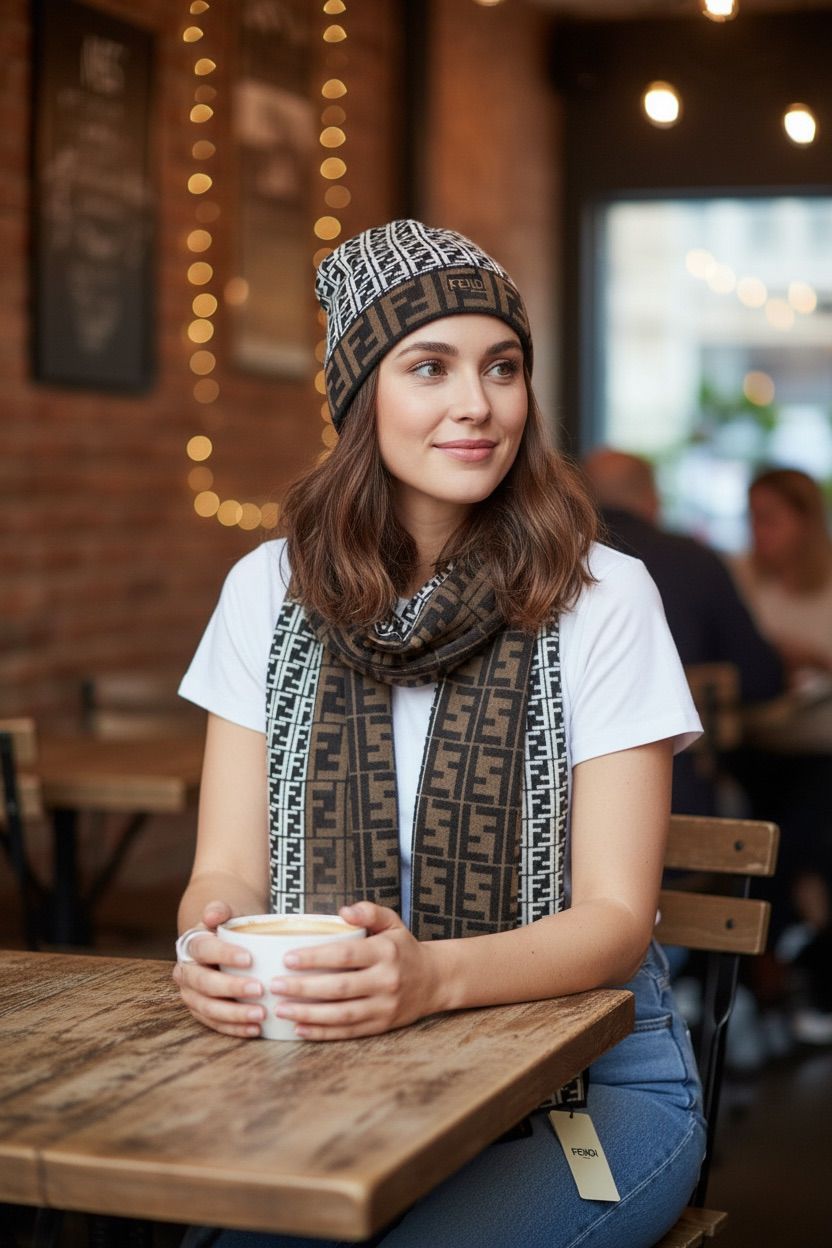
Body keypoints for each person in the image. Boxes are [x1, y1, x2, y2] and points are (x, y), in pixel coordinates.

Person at [174, 219, 705, 1248]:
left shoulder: (604, 598)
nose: (478, 404)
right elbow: (226, 869)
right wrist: (211, 943)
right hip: (335, 1071)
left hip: (588, 1088)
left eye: (501, 367)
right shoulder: (266, 594)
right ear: (357, 396)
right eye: (430, 366)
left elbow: (612, 918)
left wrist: (430, 981)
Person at [582, 447, 784, 815]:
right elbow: (762, 678)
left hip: (566, 805)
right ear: (652, 499)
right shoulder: (696, 561)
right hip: (686, 794)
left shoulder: (548, 565)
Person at [728, 467, 832, 1043]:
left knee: (799, 841)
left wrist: (812, 656)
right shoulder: (742, 576)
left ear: (804, 521)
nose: (757, 531)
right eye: (752, 517)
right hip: (753, 746)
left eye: (769, 518)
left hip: (819, 746)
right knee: (756, 846)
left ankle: (783, 971)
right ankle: (766, 969)